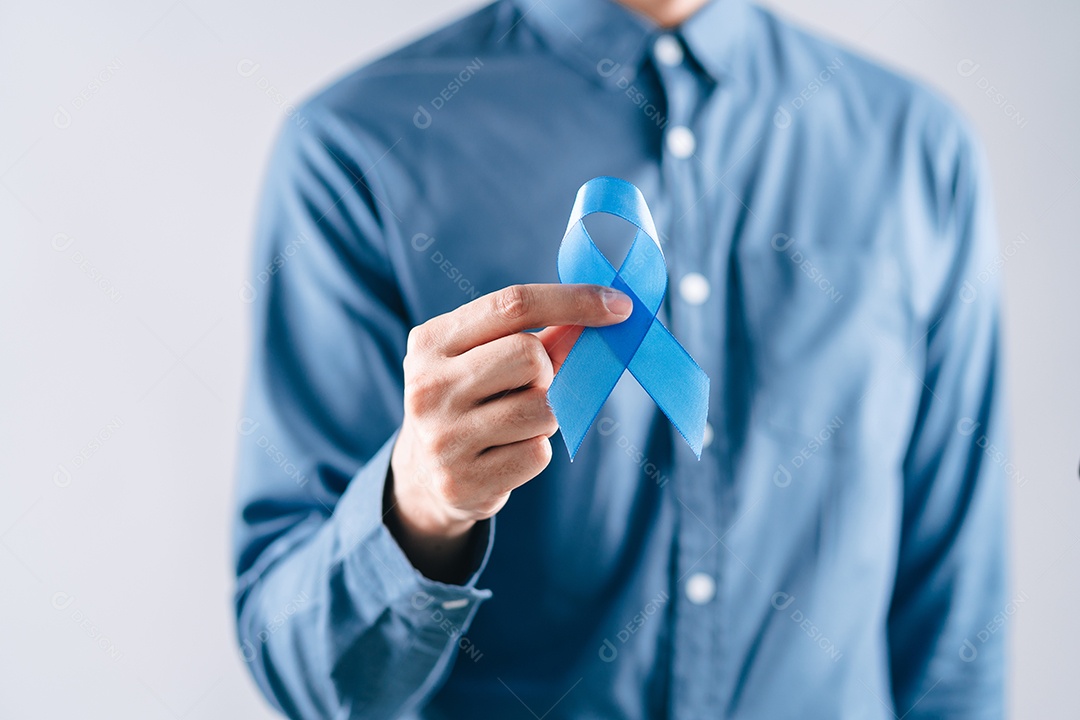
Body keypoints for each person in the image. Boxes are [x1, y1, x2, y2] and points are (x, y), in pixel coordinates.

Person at [232, 0, 1008, 717]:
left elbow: (955, 619)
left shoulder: (918, 152)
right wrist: (421, 514)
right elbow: (302, 667)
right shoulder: (358, 149)